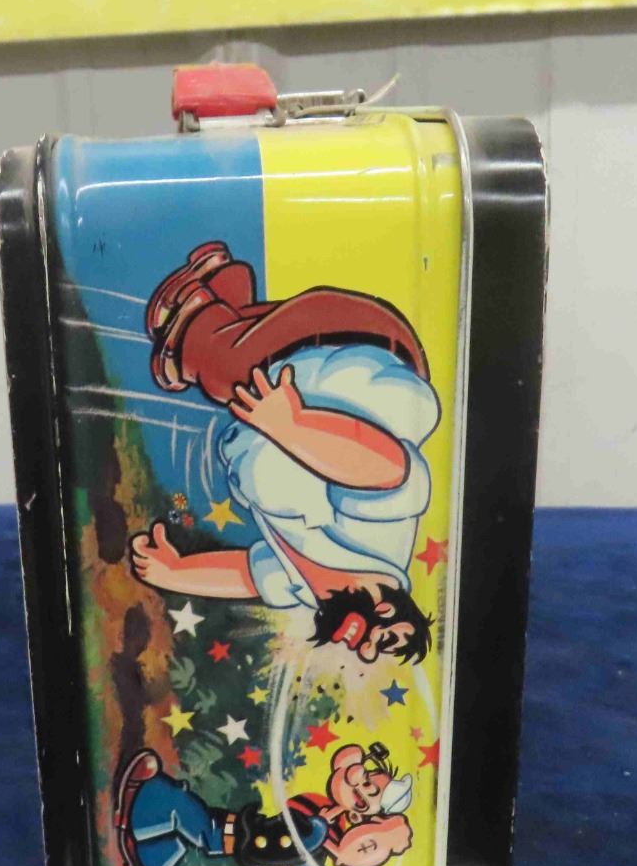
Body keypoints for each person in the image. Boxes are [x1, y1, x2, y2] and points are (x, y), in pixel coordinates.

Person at [130, 241, 440, 663]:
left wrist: (176, 573)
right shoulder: (382, 538)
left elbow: (248, 574)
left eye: (373, 652)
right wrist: (293, 425)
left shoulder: (315, 590)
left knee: (237, 375)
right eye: (385, 641)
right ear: (390, 609)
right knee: (221, 373)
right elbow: (385, 466)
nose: (366, 651)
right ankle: (193, 314)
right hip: (354, 341)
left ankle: (224, 292)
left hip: (287, 361)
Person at [114, 742, 412, 866]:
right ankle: (147, 863)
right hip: (243, 832)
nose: (360, 781)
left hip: (244, 839)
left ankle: (146, 797)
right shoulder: (323, 809)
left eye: (370, 789)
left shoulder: (327, 838)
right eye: (367, 777)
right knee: (200, 828)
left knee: (193, 818)